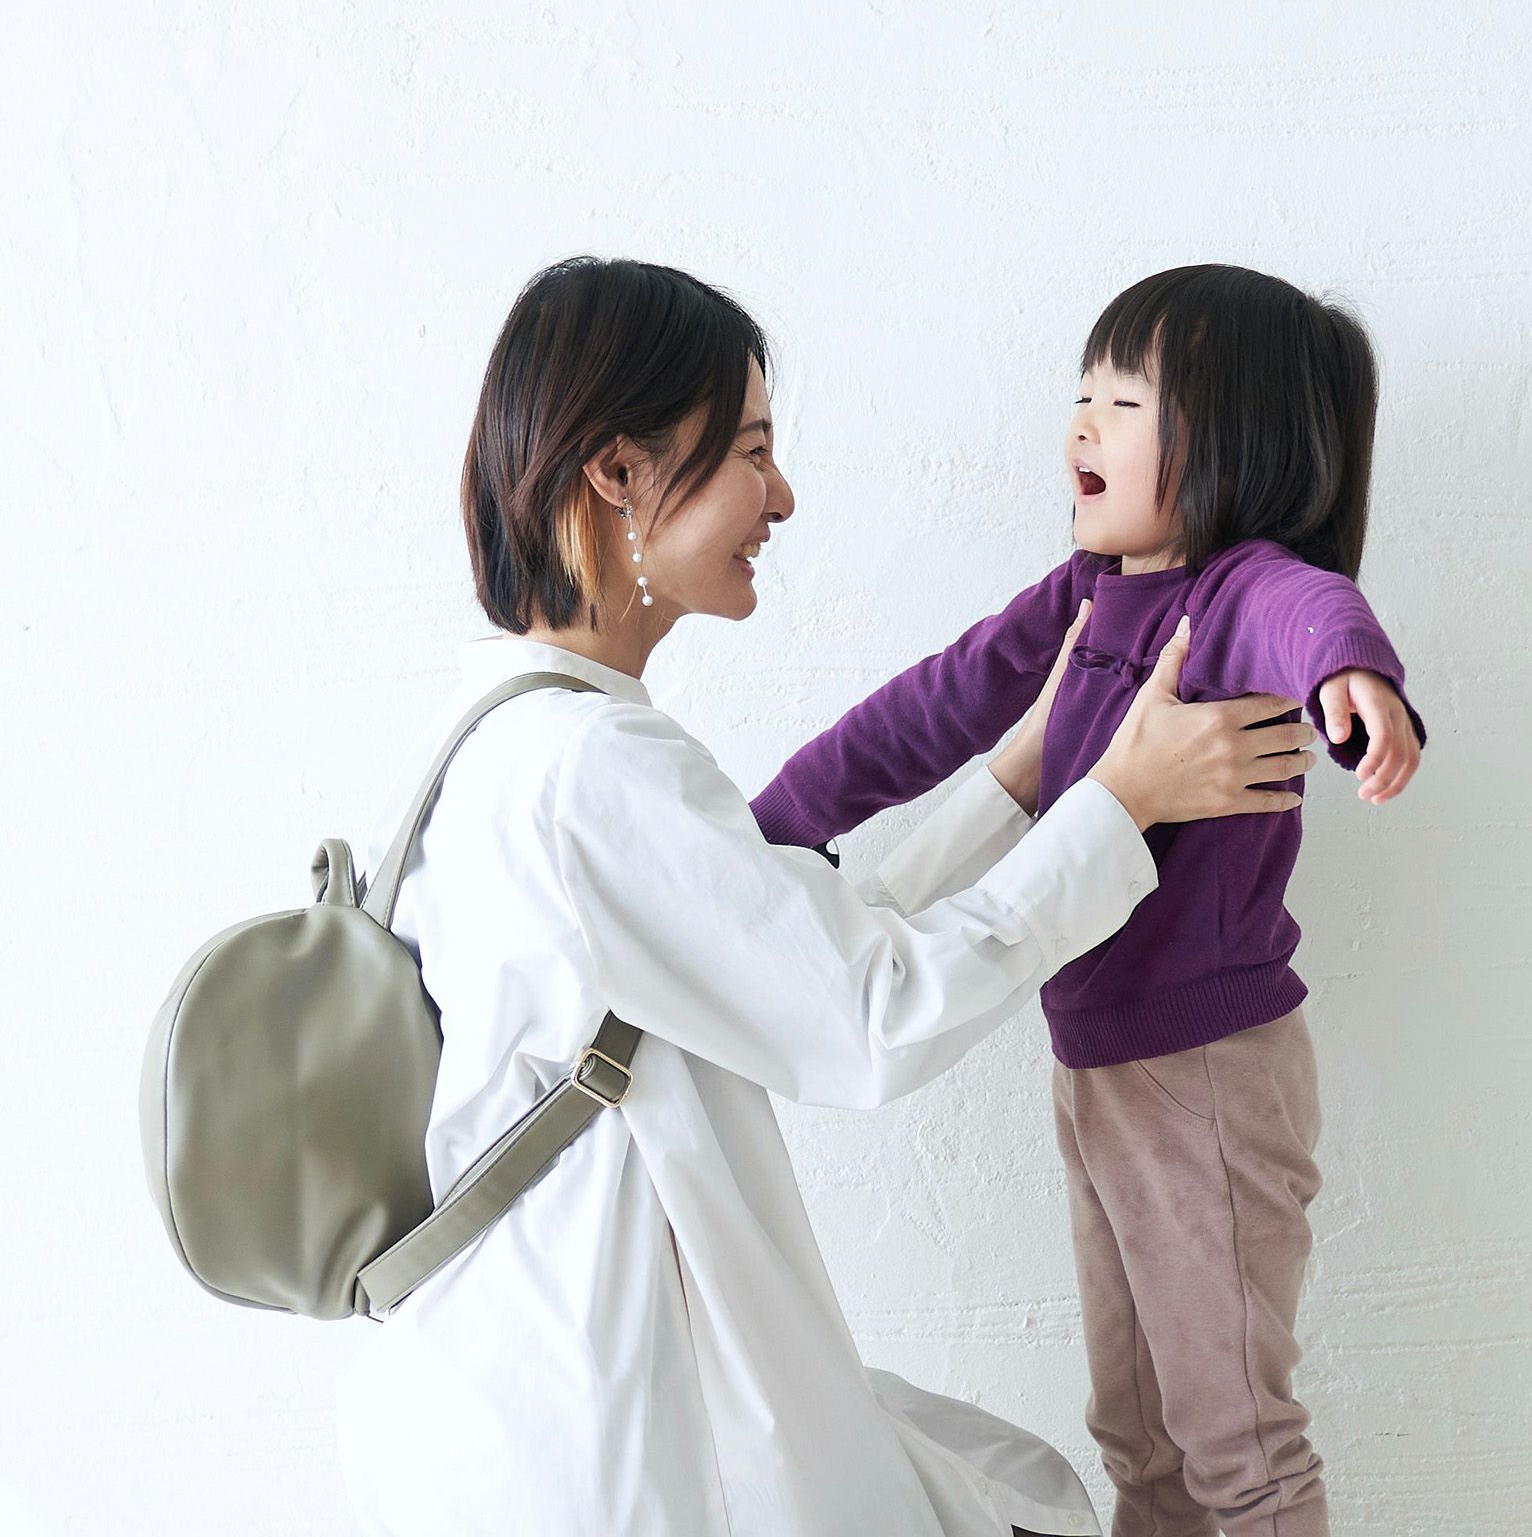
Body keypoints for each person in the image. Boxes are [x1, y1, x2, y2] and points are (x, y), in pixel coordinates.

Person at [335, 256, 1319, 1537]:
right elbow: (869, 1016)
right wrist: (1117, 804)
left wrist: (1020, 779)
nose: (782, 496)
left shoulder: (512, 736)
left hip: (524, 1395)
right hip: (602, 1423)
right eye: (751, 450)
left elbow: (783, 936)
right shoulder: (590, 770)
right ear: (619, 471)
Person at [750, 265, 1428, 1537]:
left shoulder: (1237, 593)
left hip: (1206, 1077)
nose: (1080, 424)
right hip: (1098, 1064)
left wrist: (1353, 675)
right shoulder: (1083, 597)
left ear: (1232, 446)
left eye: (1123, 400)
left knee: (1240, 1446)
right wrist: (767, 829)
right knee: (1138, 1433)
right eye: (1082, 393)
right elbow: (929, 707)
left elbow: (1310, 609)